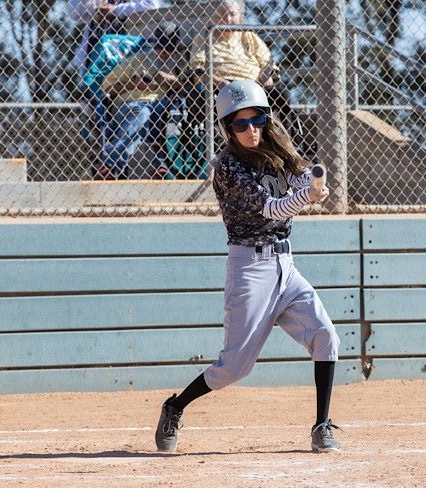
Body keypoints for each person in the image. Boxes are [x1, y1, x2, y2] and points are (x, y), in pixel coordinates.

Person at [154, 79, 342, 453]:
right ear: (228, 128)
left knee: (326, 336)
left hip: (285, 265)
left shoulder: (276, 151)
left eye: (256, 120)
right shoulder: (227, 167)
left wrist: (313, 183)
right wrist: (308, 196)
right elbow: (271, 208)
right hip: (249, 269)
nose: (250, 130)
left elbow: (299, 174)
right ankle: (175, 406)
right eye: (240, 124)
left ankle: (322, 425)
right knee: (234, 368)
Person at [190, 0, 302, 145]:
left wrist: (267, 76)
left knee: (281, 94)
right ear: (213, 16)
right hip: (223, 86)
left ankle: (290, 143)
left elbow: (268, 61)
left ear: (240, 16)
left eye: (232, 14)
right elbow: (198, 68)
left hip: (254, 85)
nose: (228, 19)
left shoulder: (248, 35)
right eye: (222, 14)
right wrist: (218, 81)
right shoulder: (205, 37)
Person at [98, 22, 186, 179]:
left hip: (162, 104)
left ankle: (110, 165)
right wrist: (133, 84)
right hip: (133, 103)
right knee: (142, 113)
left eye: (169, 50)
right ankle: (159, 163)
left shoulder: (180, 61)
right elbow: (107, 86)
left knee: (159, 114)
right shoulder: (137, 59)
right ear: (153, 45)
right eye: (160, 48)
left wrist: (168, 79)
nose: (164, 53)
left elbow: (188, 86)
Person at [68, 0, 163, 77]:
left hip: (128, 55)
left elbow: (151, 5)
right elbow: (74, 12)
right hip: (95, 56)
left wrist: (115, 10)